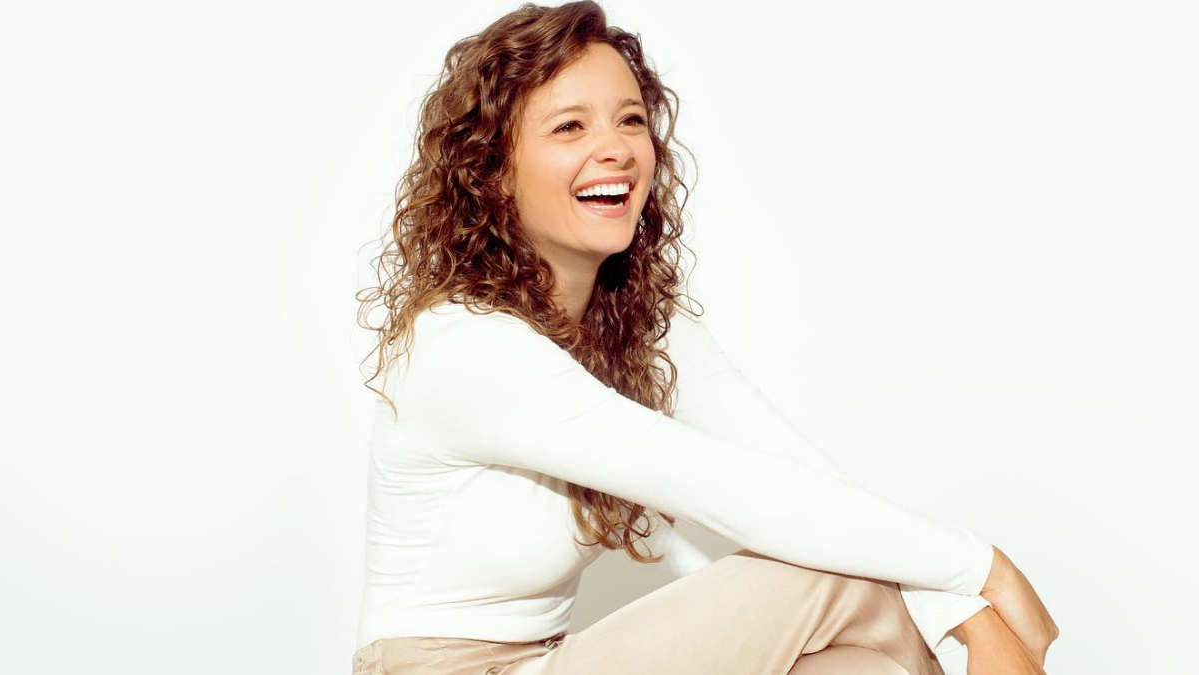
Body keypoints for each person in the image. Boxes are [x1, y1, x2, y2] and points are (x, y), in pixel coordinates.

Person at [353, 2, 1059, 674]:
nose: (615, 148)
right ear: (492, 172)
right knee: (821, 568)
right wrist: (982, 577)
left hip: (550, 658)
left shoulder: (636, 325)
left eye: (631, 120)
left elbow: (802, 477)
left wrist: (963, 603)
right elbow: (738, 494)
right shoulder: (461, 346)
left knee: (865, 664)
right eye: (569, 127)